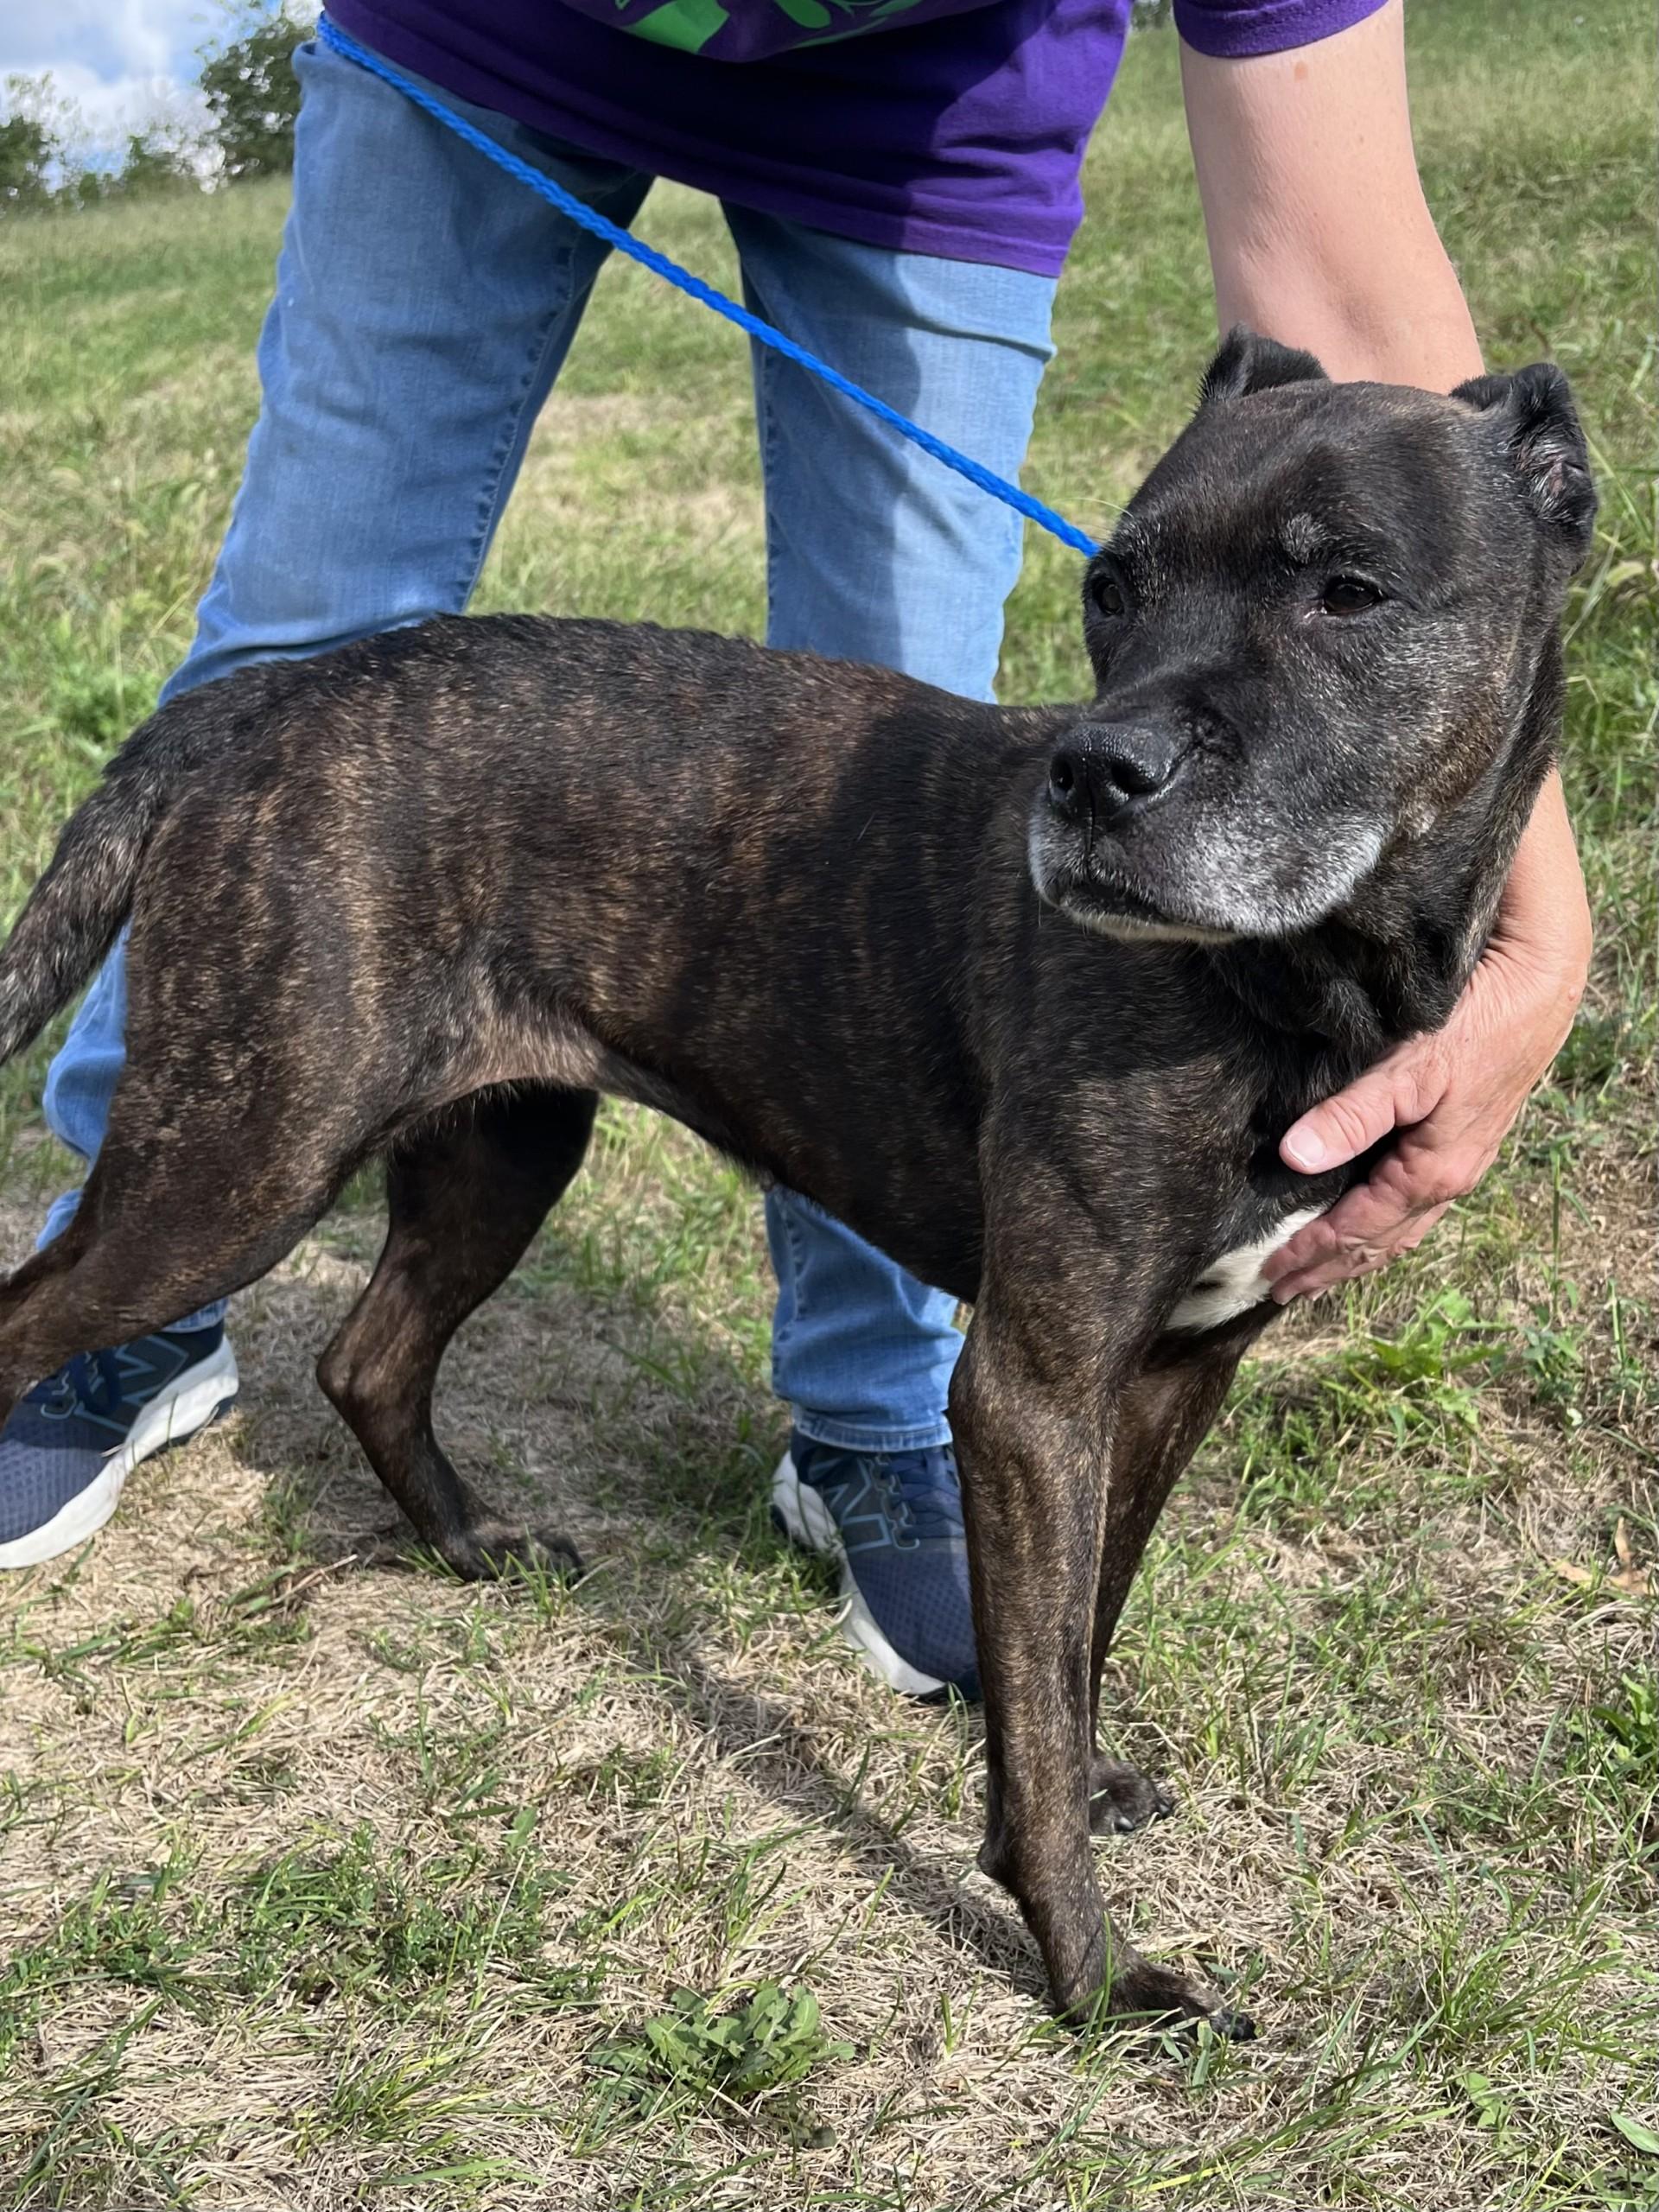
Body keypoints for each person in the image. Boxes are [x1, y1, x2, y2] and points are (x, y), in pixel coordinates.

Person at [0, 0, 1591, 1696]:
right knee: (306, 643)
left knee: (911, 722)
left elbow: (1391, 398)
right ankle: (125, 1290)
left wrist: (1530, 925)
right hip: (487, 36)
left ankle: (873, 1411)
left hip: (931, 130)